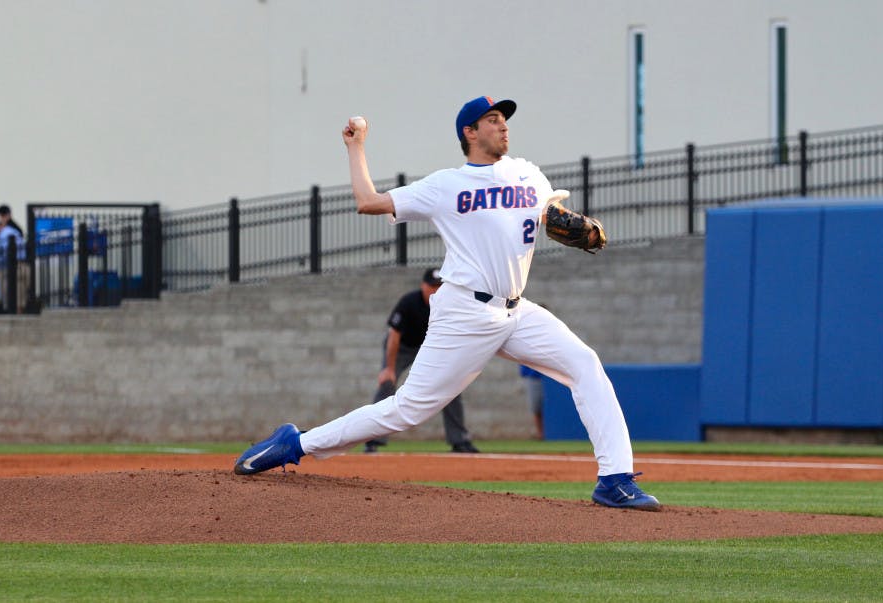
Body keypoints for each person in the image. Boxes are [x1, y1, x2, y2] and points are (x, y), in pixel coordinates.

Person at [235, 95, 660, 511]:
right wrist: (356, 146)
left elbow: (554, 217)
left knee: (585, 364)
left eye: (504, 119)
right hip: (464, 312)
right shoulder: (446, 186)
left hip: (516, 310)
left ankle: (615, 480)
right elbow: (368, 202)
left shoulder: (529, 174)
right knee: (405, 411)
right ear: (470, 132)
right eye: (492, 119)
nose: (503, 125)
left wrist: (579, 227)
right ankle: (296, 442)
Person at [364, 267, 479, 454]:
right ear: (423, 286)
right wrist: (389, 368)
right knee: (386, 384)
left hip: (429, 348)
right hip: (402, 347)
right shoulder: (409, 302)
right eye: (432, 286)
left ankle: (459, 440)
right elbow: (393, 335)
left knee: (451, 387)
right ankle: (372, 440)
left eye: (439, 286)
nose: (436, 290)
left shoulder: (449, 304)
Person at [0, 214, 28, 313]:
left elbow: (6, 254)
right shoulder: (11, 232)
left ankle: (17, 317)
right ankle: (17, 315)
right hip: (18, 265)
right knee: (18, 295)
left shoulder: (4, 235)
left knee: (13, 296)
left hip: (11, 268)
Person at [520, 364, 545, 440]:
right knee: (536, 407)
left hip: (551, 377)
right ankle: (540, 434)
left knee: (549, 407)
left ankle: (550, 433)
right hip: (534, 377)